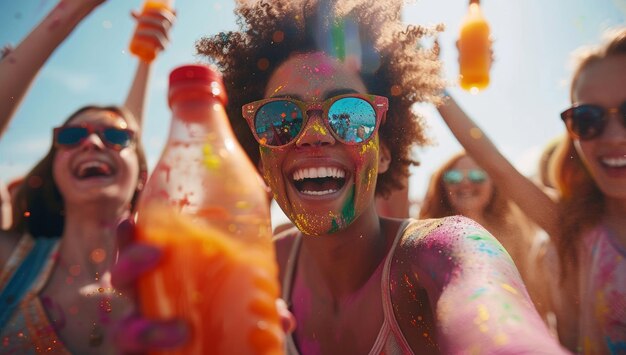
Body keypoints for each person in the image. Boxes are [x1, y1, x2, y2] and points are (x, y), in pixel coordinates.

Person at [112, 0, 565, 353]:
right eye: (280, 118)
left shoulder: (446, 252)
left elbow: (501, 329)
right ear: (259, 156)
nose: (312, 136)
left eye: (349, 115)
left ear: (385, 153)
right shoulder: (249, 269)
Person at [436, 27, 626, 352]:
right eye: (587, 118)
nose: (613, 136)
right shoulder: (574, 227)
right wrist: (433, 79)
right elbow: (494, 163)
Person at [0, 0, 174, 353]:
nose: (92, 142)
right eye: (71, 137)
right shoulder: (9, 264)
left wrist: (146, 59)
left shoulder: (177, 284)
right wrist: (71, 10)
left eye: (114, 138)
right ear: (53, 171)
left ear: (142, 176)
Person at [419, 152, 552, 327]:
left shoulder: (517, 236)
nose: (465, 182)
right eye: (454, 176)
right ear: (442, 185)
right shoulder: (425, 240)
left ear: (493, 184)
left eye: (477, 175)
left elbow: (535, 300)